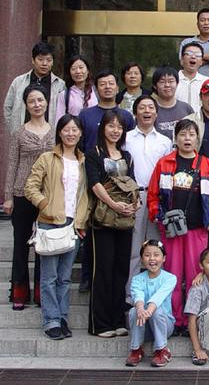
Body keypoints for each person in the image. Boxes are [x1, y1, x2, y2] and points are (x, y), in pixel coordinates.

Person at [147, 119, 209, 334]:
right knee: (172, 275)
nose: (187, 138)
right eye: (183, 134)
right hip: (171, 230)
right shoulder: (164, 163)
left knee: (196, 275)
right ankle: (174, 320)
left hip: (197, 229)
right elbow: (153, 194)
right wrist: (156, 215)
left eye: (191, 135)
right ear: (176, 138)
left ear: (197, 139)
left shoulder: (208, 165)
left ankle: (194, 321)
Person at [24, 114, 88, 340]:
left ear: (80, 133)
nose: (71, 133)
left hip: (74, 225)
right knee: (49, 277)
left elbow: (86, 195)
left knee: (65, 277)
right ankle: (51, 320)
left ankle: (62, 317)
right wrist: (45, 205)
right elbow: (30, 186)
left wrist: (82, 219)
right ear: (59, 132)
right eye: (66, 129)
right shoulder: (47, 158)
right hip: (50, 223)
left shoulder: (83, 161)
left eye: (75, 130)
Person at [86, 110, 138, 338]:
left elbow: (132, 182)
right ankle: (100, 324)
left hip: (125, 219)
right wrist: (114, 204)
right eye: (111, 126)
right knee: (103, 269)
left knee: (121, 269)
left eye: (120, 127)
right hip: (103, 218)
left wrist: (134, 204)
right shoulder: (94, 153)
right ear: (103, 128)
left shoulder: (126, 156)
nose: (115, 130)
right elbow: (95, 184)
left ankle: (118, 320)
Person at [3, 86, 55, 310]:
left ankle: (42, 292)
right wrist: (8, 197)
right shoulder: (19, 133)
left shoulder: (55, 131)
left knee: (44, 245)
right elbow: (12, 164)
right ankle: (19, 292)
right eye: (32, 101)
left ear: (46, 102)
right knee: (21, 244)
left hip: (48, 195)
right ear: (26, 105)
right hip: (22, 193)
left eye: (40, 100)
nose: (37, 104)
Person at [124, 95, 173, 303]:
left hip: (156, 198)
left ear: (156, 113)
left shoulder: (165, 141)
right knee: (134, 249)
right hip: (132, 197)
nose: (147, 111)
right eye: (142, 107)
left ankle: (156, 297)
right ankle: (131, 296)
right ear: (135, 112)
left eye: (151, 107)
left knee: (156, 248)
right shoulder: (126, 138)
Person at [125, 240, 177, 368]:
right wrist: (140, 308)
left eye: (156, 255)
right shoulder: (137, 279)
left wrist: (149, 310)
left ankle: (161, 350)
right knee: (134, 311)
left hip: (164, 325)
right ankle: (136, 349)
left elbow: (159, 296)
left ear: (164, 258)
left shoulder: (170, 278)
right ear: (142, 260)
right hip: (144, 326)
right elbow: (138, 295)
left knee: (156, 311)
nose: (152, 258)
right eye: (147, 255)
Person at [4, 41, 65, 134]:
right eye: (40, 59)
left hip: (49, 136)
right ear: (33, 60)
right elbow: (8, 107)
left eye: (49, 60)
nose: (44, 63)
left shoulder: (60, 85)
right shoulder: (19, 82)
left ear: (53, 62)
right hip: (22, 135)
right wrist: (14, 130)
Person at [78, 70, 135, 152]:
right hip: (91, 159)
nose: (107, 87)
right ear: (96, 90)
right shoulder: (85, 115)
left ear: (117, 89)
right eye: (102, 84)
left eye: (111, 83)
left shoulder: (126, 116)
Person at [178, 8, 209, 79]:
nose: (206, 23)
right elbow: (183, 62)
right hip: (192, 82)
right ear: (197, 24)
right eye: (202, 20)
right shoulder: (187, 42)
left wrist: (195, 57)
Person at [153, 66, 194, 141]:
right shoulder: (150, 109)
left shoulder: (186, 108)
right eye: (162, 82)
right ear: (155, 86)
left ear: (177, 83)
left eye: (171, 81)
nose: (167, 85)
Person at [54, 55, 98, 124]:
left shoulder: (97, 91)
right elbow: (59, 121)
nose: (78, 71)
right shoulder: (64, 95)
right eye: (73, 68)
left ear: (87, 70)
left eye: (81, 67)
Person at [176, 42, 208, 113]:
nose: (193, 57)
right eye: (189, 53)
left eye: (198, 55)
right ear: (181, 60)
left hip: (199, 120)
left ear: (201, 62)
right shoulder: (172, 81)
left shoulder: (207, 82)